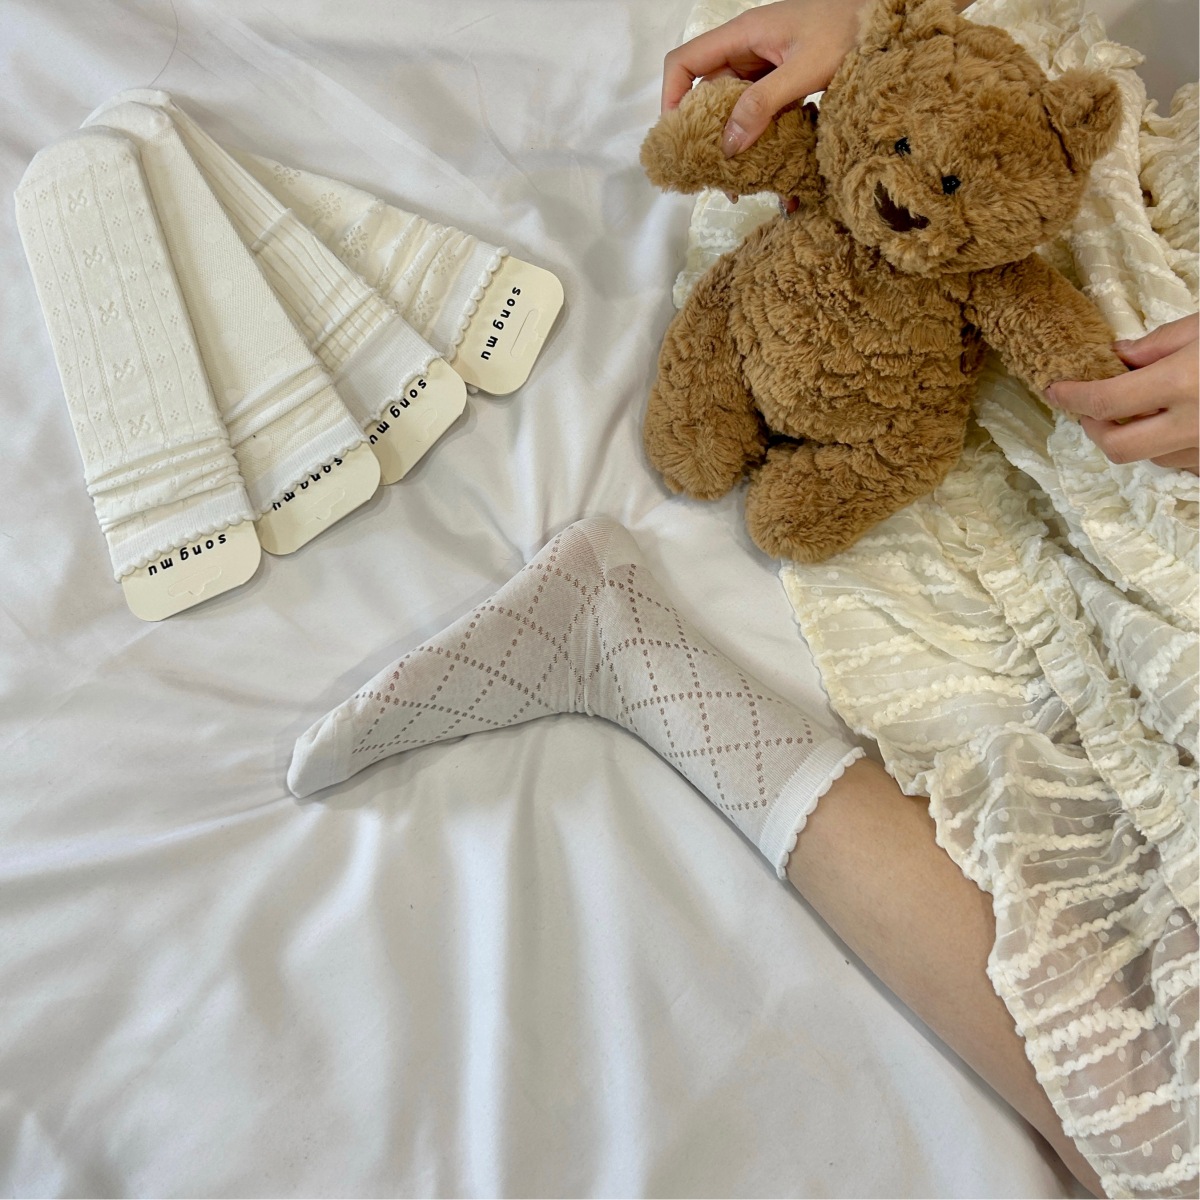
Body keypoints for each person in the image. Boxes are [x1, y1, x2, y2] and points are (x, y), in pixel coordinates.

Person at [660, 0, 1200, 475]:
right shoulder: (837, 162)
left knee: (907, 452)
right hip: (751, 318)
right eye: (900, 149)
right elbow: (732, 144)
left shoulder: (987, 271)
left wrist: (1107, 387)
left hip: (885, 417)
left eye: (949, 186)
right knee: (714, 323)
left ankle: (835, 480)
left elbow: (1046, 327)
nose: (906, 197)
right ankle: (706, 416)